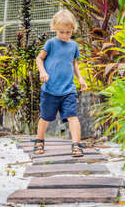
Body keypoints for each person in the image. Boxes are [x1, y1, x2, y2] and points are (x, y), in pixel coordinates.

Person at [34, 9, 87, 157]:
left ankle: (76, 145)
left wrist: (80, 78)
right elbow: (39, 59)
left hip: (68, 90)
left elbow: (74, 63)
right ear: (55, 29)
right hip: (50, 89)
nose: (65, 35)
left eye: (68, 32)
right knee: (45, 117)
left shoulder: (73, 46)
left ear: (73, 30)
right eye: (61, 32)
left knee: (73, 116)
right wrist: (42, 72)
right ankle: (39, 140)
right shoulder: (50, 43)